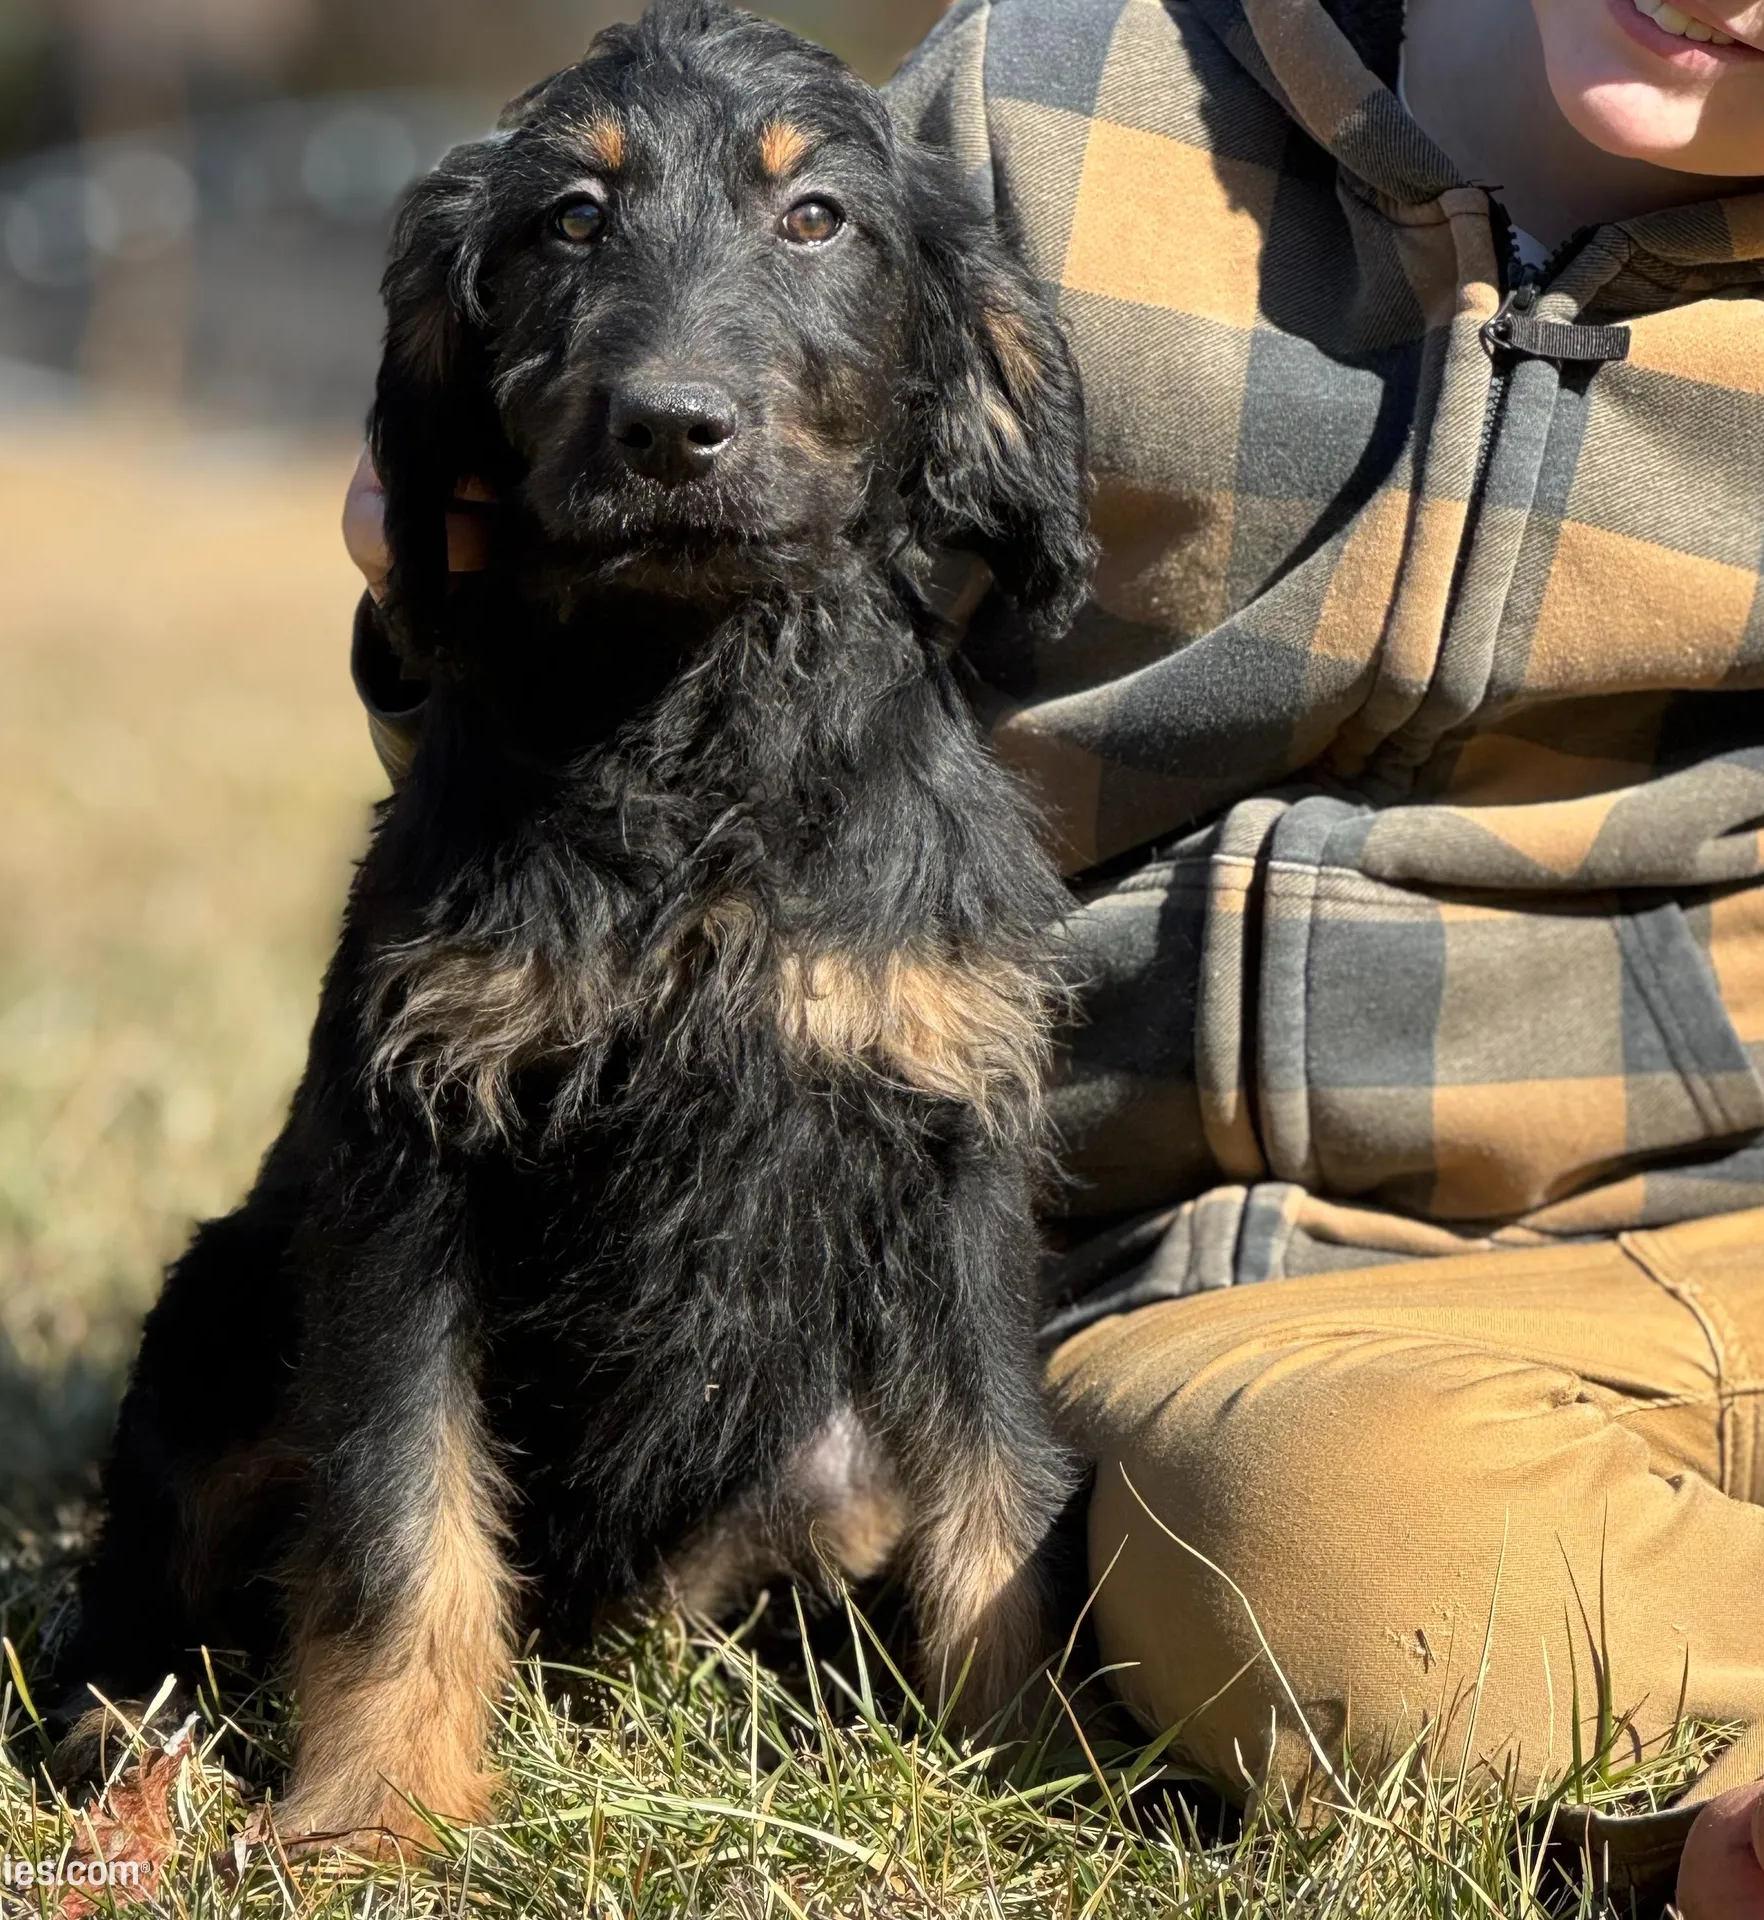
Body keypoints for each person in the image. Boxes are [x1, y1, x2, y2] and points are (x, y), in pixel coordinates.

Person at [341, 0, 1764, 1906]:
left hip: (1727, 1243)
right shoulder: (1044, 104)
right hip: (1243, 1307)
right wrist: (429, 579)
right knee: (1328, 1549)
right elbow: (607, 689)